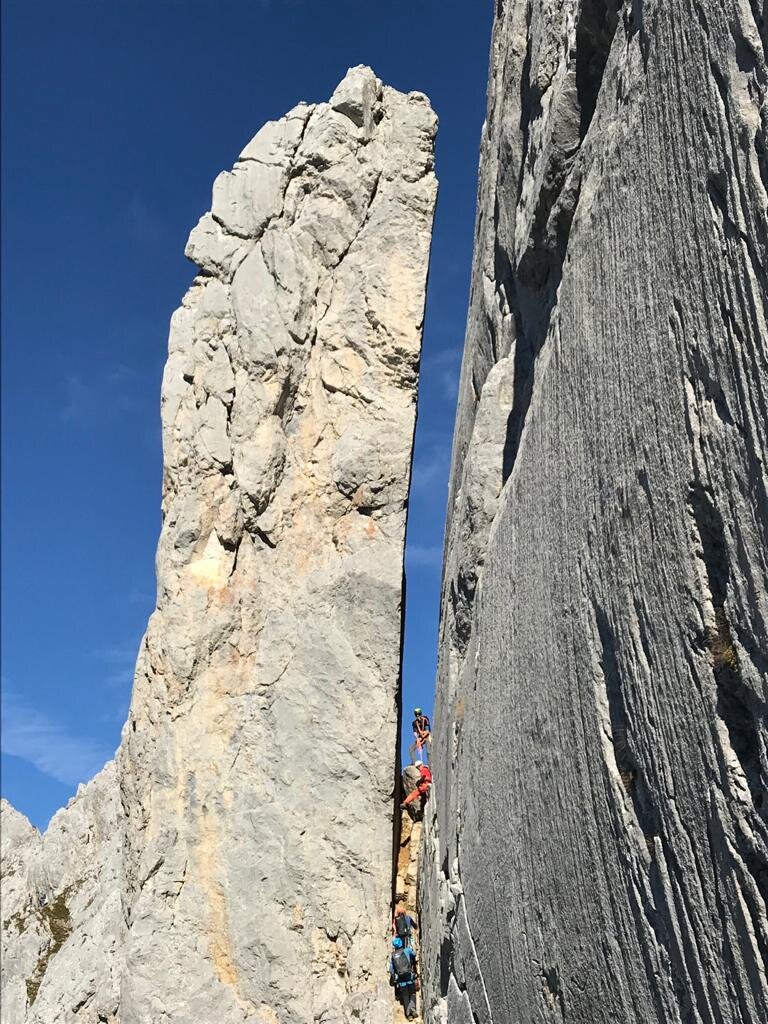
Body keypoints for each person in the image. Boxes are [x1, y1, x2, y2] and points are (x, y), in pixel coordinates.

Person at [389, 936, 418, 1019]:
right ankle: (412, 1008)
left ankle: (408, 1015)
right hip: (409, 976)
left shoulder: (393, 956)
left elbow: (391, 969)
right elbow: (414, 954)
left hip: (401, 979)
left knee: (405, 995)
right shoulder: (407, 950)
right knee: (412, 992)